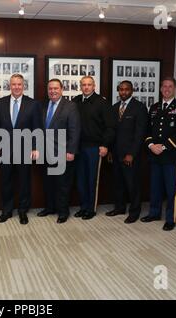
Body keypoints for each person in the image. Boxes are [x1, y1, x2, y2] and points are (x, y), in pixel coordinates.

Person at [141, 77, 176, 231]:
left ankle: (170, 218)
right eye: (164, 86)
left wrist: (164, 146)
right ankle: (154, 213)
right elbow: (148, 130)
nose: (167, 89)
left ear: (174, 89)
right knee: (155, 187)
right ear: (161, 89)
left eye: (170, 86)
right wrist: (150, 145)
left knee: (171, 189)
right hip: (154, 155)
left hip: (171, 156)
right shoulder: (154, 108)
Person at [0, 74, 41, 225]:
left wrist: (35, 147)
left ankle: (22, 211)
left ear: (23, 86)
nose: (16, 87)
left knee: (24, 182)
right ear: (9, 86)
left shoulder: (33, 104)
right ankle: (7, 211)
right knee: (6, 181)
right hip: (5, 150)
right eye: (13, 84)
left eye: (19, 84)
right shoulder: (0, 103)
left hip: (25, 150)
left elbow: (37, 128)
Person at [37, 79, 81, 223]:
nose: (53, 91)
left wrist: (71, 151)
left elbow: (75, 130)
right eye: (50, 89)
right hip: (45, 152)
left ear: (62, 89)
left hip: (63, 152)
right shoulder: (43, 105)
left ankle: (63, 211)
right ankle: (50, 207)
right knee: (48, 182)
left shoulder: (70, 106)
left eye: (56, 88)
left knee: (63, 184)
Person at [72, 76, 116, 220]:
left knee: (92, 180)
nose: (86, 87)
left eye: (89, 85)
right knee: (81, 179)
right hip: (78, 147)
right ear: (80, 86)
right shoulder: (75, 101)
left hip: (94, 147)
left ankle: (91, 208)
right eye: (83, 85)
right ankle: (83, 206)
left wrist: (105, 145)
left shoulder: (102, 103)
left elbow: (110, 127)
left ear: (94, 86)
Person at [106, 81, 147, 224]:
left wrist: (132, 154)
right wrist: (110, 150)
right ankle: (119, 207)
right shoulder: (114, 108)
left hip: (130, 154)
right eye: (121, 90)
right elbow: (112, 131)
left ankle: (134, 212)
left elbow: (140, 134)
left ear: (132, 90)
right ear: (118, 91)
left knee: (132, 184)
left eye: (126, 89)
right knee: (118, 183)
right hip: (116, 153)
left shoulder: (139, 108)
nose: (124, 92)